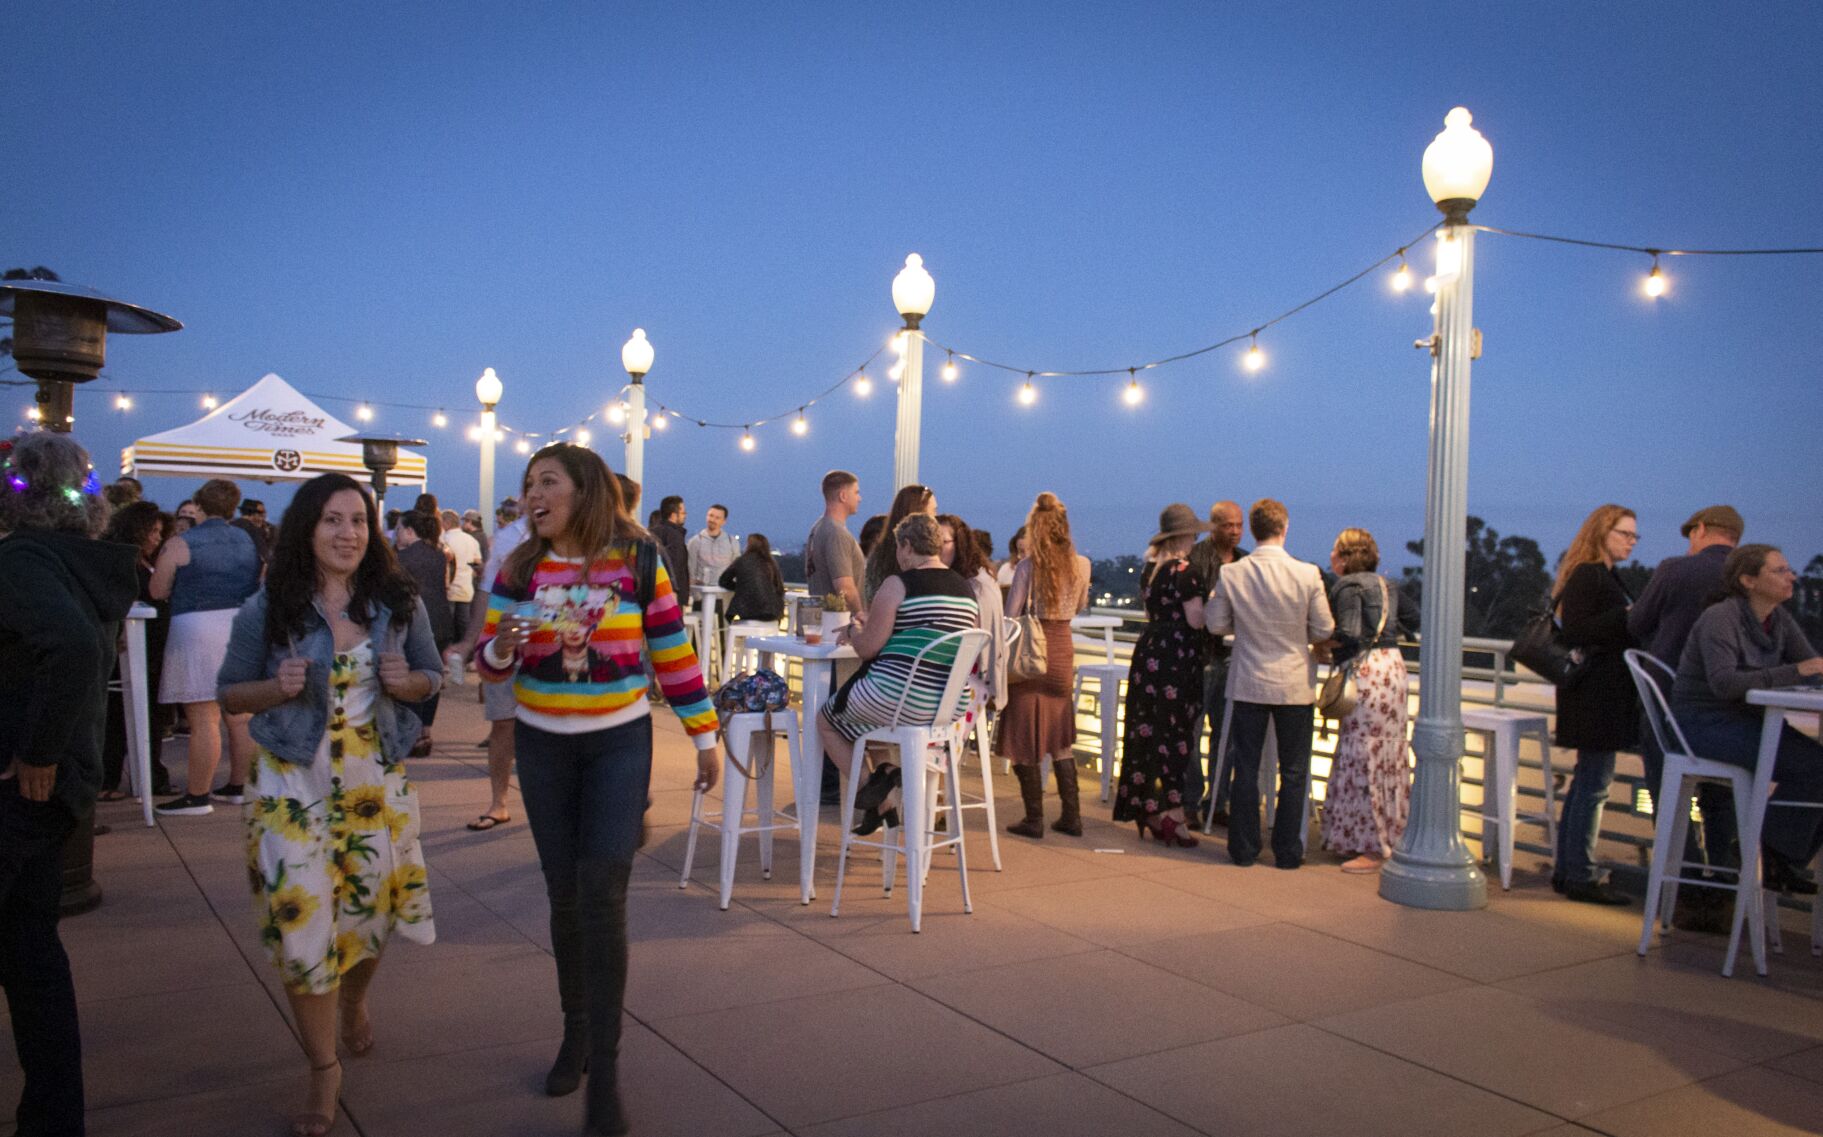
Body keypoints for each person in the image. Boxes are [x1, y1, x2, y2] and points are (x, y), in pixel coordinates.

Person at [476, 443, 718, 1135]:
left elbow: (671, 649)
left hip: (618, 739)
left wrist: (704, 734)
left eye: (545, 481)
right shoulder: (519, 565)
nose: (531, 494)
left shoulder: (638, 559)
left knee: (603, 892)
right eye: (527, 484)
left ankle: (604, 1070)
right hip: (542, 743)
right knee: (564, 893)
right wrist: (502, 646)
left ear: (585, 489)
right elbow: (490, 668)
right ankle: (575, 1030)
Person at [217, 473, 442, 1137]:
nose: (347, 533)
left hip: (376, 788)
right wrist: (272, 687)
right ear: (305, 530)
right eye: (331, 521)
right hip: (291, 787)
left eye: (358, 521)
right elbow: (229, 692)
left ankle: (355, 998)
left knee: (371, 920)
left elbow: (430, 681)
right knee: (302, 927)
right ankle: (323, 1066)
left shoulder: (399, 602)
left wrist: (411, 682)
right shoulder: (272, 605)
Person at [0, 432, 138, 1137]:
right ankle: (54, 1115)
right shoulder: (90, 563)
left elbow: (75, 649)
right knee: (30, 950)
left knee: (29, 950)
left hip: (24, 787)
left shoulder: (25, 558)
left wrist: (35, 752)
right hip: (62, 792)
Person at [1672, 544, 1823, 895]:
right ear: (1748, 580)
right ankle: (1773, 851)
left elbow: (1811, 667)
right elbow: (1724, 684)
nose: (1792, 577)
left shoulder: (1778, 620)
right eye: (1780, 571)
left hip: (1750, 721)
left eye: (1789, 569)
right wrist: (1795, 671)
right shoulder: (1721, 618)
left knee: (1818, 765)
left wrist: (1805, 671)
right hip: (1703, 724)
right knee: (1814, 766)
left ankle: (1783, 856)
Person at [820, 514, 980, 834]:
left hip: (900, 698)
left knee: (825, 721)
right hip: (949, 706)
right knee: (869, 723)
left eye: (898, 548)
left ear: (907, 546)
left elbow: (868, 649)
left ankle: (876, 785)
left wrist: (852, 632)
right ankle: (884, 799)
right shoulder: (965, 589)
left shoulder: (898, 584)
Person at [1628, 504, 1744, 929]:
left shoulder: (1675, 570)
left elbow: (1639, 622)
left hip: (1668, 704)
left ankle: (1689, 892)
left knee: (1671, 799)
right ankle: (1726, 892)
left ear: (1699, 531)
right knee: (1723, 798)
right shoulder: (1746, 579)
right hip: (1727, 709)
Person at [1203, 498, 1334, 869]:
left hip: (1248, 680)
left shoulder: (1233, 574)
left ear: (1254, 530)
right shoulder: (1307, 574)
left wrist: (1241, 628)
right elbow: (1324, 628)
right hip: (1294, 682)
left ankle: (1243, 848)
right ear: (1284, 528)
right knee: (1294, 771)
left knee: (1245, 766)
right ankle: (1288, 851)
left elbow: (1215, 623)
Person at [151, 478, 262, 815]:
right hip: (239, 625)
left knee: (203, 717)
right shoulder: (246, 539)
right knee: (240, 716)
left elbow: (157, 589)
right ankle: (239, 786)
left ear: (198, 505)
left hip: (196, 626)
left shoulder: (182, 542)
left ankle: (197, 794)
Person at [1550, 504, 1642, 905]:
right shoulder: (1591, 575)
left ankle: (1569, 871)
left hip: (1593, 693)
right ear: (1603, 532)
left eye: (1634, 536)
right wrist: (1626, 616)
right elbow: (1577, 632)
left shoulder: (1598, 574)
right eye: (1625, 534)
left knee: (1587, 782)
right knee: (1594, 785)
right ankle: (1581, 875)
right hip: (1595, 695)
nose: (1631, 542)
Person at [1318, 528, 1419, 873]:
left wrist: (1318, 640)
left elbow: (1347, 631)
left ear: (1345, 557)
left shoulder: (1347, 585)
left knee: (1361, 754)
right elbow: (1415, 619)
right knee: (1387, 753)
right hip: (1393, 668)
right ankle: (1392, 835)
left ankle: (1368, 844)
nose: (1331, 556)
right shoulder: (1387, 585)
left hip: (1365, 672)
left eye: (1335, 550)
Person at [1112, 505, 1210, 847]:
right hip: (1177, 658)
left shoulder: (1150, 569)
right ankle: (1174, 813)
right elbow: (1196, 620)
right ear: (1184, 536)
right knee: (1175, 735)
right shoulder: (1187, 571)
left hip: (1150, 651)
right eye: (1194, 533)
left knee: (1147, 732)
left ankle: (1148, 807)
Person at [998, 493, 1092, 838]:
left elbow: (1011, 617)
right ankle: (1072, 816)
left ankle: (1034, 818)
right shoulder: (1082, 564)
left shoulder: (1027, 566)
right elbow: (1079, 606)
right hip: (1062, 649)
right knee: (1060, 738)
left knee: (1024, 736)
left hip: (1031, 653)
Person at [455, 483, 532, 833]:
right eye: (533, 487)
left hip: (551, 646)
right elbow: (486, 590)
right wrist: (474, 640)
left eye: (550, 483)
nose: (538, 495)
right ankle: (498, 803)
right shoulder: (507, 537)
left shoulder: (574, 536)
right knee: (503, 723)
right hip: (507, 639)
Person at [99, 501, 176, 800]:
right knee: (120, 715)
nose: (157, 538)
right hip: (134, 647)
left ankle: (149, 775)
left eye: (160, 532)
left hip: (151, 647)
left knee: (149, 715)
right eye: (152, 531)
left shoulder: (145, 561)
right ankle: (112, 779)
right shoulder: (125, 562)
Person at [1186, 500, 1247, 822]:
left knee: (1227, 734)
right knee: (1193, 733)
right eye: (1228, 525)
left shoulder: (1246, 562)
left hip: (1233, 658)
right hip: (1200, 656)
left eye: (1239, 525)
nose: (1235, 531)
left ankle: (1218, 802)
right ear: (1214, 526)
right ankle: (1191, 802)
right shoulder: (1197, 559)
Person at [396, 511, 456, 757]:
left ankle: (413, 733)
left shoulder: (401, 558)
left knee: (413, 676)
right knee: (433, 674)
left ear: (410, 531)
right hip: (441, 619)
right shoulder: (439, 555)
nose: (397, 533)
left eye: (400, 528)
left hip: (415, 621)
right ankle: (426, 731)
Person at [937, 514, 1008, 716]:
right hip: (979, 681)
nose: (936, 549)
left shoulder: (970, 586)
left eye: (943, 542)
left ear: (959, 544)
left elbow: (962, 643)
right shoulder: (981, 577)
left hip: (966, 686)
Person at [862, 484, 937, 604]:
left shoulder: (879, 554)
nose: (935, 519)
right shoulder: (923, 555)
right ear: (918, 513)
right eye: (933, 512)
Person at [806, 470, 866, 620]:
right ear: (843, 496)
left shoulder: (817, 529)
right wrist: (860, 615)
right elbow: (844, 586)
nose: (860, 498)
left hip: (821, 620)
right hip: (839, 624)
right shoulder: (836, 533)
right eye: (856, 492)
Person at [717, 533, 785, 624]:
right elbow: (779, 588)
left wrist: (741, 587)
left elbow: (723, 581)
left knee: (730, 621)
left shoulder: (742, 561)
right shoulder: (771, 563)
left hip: (748, 611)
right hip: (773, 612)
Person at [440, 509, 483, 643]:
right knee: (464, 627)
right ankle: (465, 654)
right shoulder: (471, 540)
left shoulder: (444, 540)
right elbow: (478, 563)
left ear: (446, 523)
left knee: (448, 627)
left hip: (449, 590)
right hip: (466, 590)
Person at [650, 495, 691, 609]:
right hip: (670, 596)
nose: (685, 516)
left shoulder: (651, 533)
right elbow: (675, 566)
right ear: (673, 515)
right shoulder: (675, 536)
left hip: (653, 593)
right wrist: (676, 591)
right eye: (683, 513)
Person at [687, 503, 740, 592]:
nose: (712, 520)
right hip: (702, 595)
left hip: (723, 595)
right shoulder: (695, 541)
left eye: (717, 517)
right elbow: (690, 568)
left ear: (724, 521)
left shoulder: (732, 543)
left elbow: (737, 569)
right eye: (710, 515)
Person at [234, 497, 274, 566]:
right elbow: (264, 554)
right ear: (253, 513)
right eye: (261, 513)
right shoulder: (252, 529)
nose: (264, 515)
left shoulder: (231, 524)